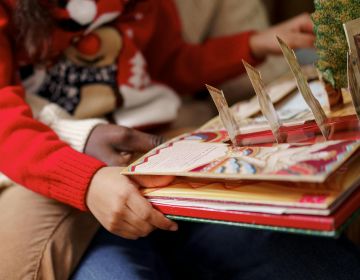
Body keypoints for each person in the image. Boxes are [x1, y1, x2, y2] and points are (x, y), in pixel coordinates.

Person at [1, 0, 359, 279]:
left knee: (308, 260)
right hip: (71, 176)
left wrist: (252, 43)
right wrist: (87, 181)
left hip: (164, 155)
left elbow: (170, 63)